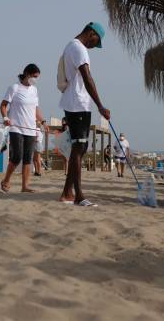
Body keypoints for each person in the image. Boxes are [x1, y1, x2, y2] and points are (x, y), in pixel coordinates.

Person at [57, 22, 110, 206]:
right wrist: (100, 106)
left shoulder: (72, 46)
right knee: (79, 149)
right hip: (77, 103)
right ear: (91, 33)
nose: (95, 45)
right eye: (97, 41)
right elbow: (87, 78)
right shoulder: (78, 47)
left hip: (79, 103)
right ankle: (79, 196)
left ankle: (67, 193)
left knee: (80, 149)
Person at [0, 64, 45, 193]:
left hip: (31, 129)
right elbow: (3, 105)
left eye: (37, 77)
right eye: (34, 76)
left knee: (27, 158)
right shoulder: (14, 88)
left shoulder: (34, 90)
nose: (35, 79)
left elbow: (36, 109)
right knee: (17, 156)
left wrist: (43, 121)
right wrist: (5, 118)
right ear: (27, 74)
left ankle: (25, 186)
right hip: (16, 128)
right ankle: (6, 180)